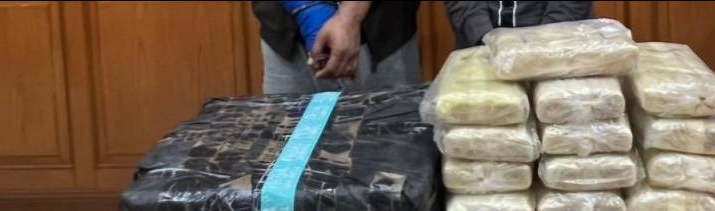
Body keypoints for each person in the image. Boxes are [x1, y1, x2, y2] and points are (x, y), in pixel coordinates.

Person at [252, 1, 422, 94]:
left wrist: (350, 15)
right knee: (286, 141)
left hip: (380, 34)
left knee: (391, 141)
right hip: (286, 38)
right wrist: (306, 8)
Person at [444, 1, 594, 49]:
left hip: (560, 47)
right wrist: (486, 39)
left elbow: (569, 5)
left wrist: (543, 43)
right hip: (482, 49)